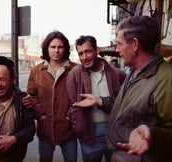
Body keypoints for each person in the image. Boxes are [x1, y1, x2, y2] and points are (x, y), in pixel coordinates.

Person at [72, 16, 172, 162]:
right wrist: (99, 101)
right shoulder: (134, 72)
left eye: (119, 44)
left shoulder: (166, 79)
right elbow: (125, 109)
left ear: (135, 44)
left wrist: (153, 135)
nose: (117, 49)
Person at [66, 35, 126, 162]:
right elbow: (72, 104)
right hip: (89, 132)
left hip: (115, 130)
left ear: (97, 50)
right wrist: (79, 126)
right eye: (80, 53)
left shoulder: (118, 74)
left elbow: (126, 104)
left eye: (88, 51)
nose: (84, 57)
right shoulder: (75, 74)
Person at [26, 30, 78, 162]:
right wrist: (41, 116)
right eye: (53, 47)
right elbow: (32, 96)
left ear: (66, 49)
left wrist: (69, 116)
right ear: (46, 49)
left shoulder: (75, 69)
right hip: (45, 130)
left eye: (60, 47)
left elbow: (80, 96)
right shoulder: (36, 71)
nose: (56, 50)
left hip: (69, 130)